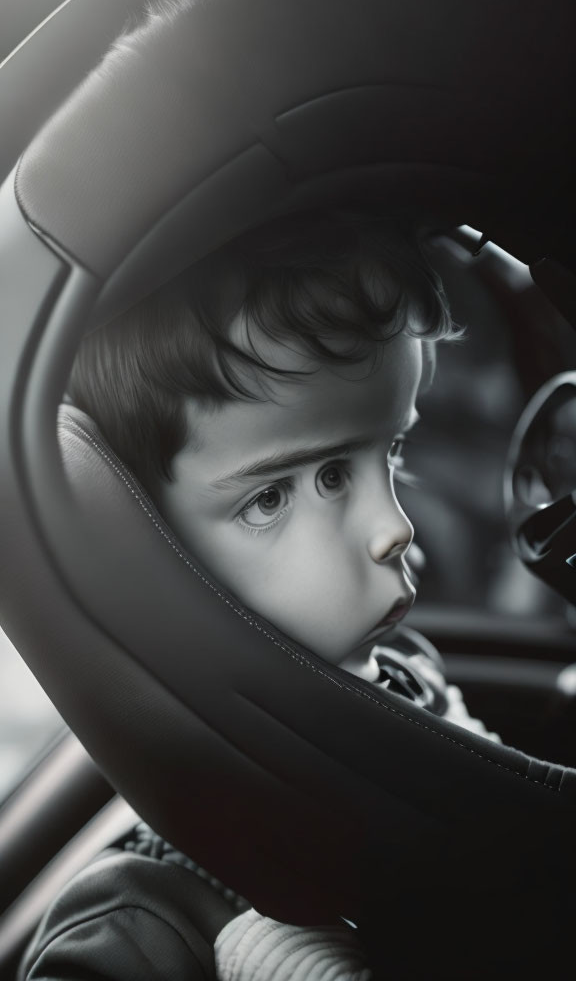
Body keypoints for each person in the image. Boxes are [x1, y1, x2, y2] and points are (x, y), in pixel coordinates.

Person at [20, 208, 500, 981]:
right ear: (146, 555)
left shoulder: (413, 685)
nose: (393, 527)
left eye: (393, 450)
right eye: (282, 493)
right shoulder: (138, 936)